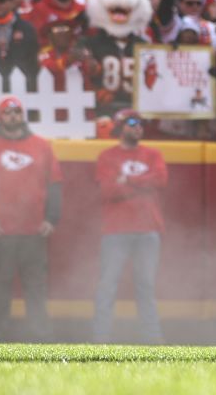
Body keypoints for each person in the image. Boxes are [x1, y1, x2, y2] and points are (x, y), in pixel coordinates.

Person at [0, 96, 61, 341]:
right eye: (7, 112)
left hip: (33, 231)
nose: (13, 116)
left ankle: (40, 337)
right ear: (0, 117)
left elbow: (54, 184)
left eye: (17, 112)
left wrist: (51, 219)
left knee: (36, 287)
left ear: (23, 115)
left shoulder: (42, 146)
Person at [92, 110, 167, 343]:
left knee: (146, 285)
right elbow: (107, 191)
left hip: (148, 229)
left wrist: (128, 181)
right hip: (116, 230)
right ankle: (100, 340)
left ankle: (153, 340)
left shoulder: (153, 154)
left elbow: (160, 180)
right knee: (107, 285)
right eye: (133, 123)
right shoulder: (106, 156)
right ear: (120, 127)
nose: (138, 127)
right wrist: (141, 184)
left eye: (141, 123)